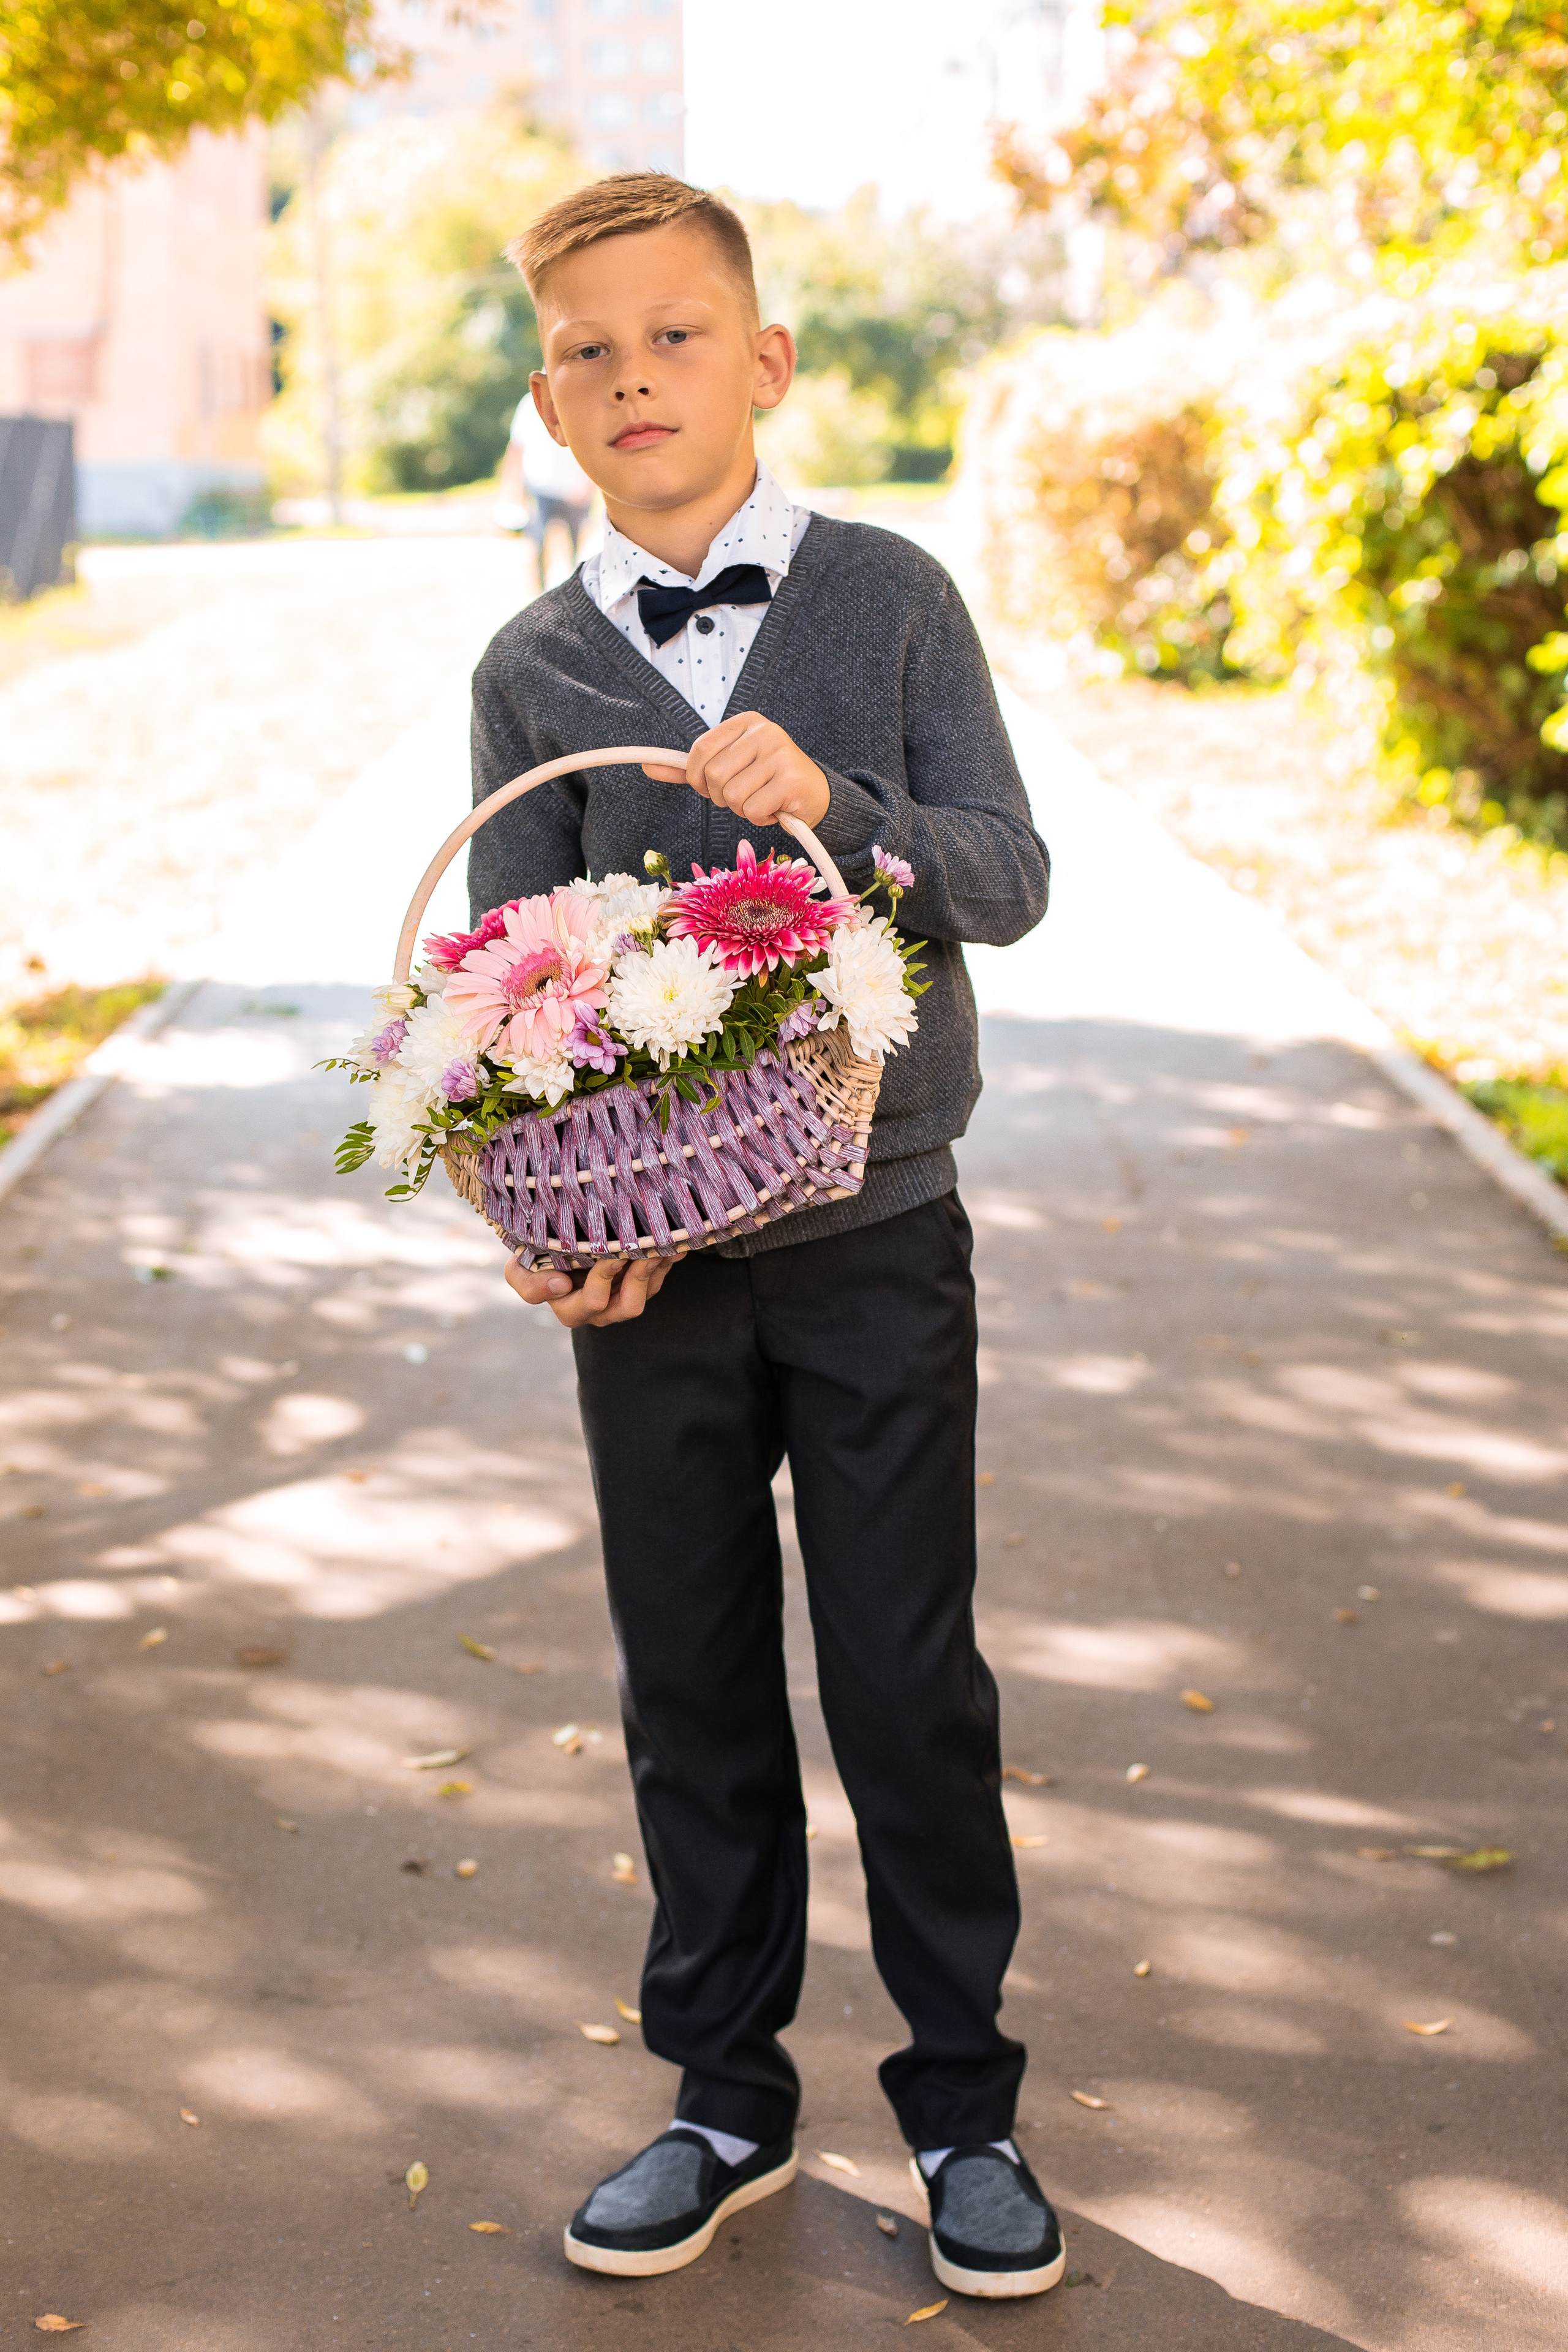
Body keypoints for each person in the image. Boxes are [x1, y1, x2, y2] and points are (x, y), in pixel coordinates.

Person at [468, 171, 1058, 2302]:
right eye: (590, 351)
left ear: (767, 362)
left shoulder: (888, 601)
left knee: (906, 1675)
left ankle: (967, 2107)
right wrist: (539, 1210)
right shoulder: (533, 665)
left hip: (875, 1231)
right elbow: (504, 971)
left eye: (675, 336)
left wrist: (841, 811)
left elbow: (1005, 876)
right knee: (690, 1682)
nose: (634, 376)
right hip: (655, 1266)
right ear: (550, 399)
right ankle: (722, 2095)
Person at [497, 388, 595, 584]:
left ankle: (574, 588)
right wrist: (512, 486)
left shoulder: (582, 398)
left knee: (576, 544)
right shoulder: (528, 404)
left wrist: (587, 483)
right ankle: (541, 588)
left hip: (574, 486)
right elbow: (517, 445)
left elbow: (593, 444)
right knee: (538, 540)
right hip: (541, 485)